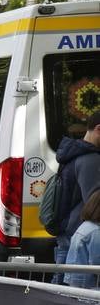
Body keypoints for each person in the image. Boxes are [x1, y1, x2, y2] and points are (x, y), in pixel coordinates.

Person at [54, 112, 100, 280]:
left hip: (67, 231)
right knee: (73, 293)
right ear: (98, 129)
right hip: (77, 234)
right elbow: (95, 203)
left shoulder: (73, 154)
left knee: (57, 291)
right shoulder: (90, 159)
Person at [64, 190, 100, 289]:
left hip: (77, 282)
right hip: (89, 286)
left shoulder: (85, 226)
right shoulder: (96, 231)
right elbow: (97, 262)